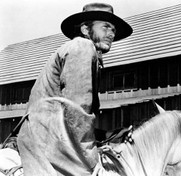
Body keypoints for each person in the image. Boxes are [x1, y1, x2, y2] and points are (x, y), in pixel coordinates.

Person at [17, 2, 132, 176]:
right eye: (106, 27)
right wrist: (92, 162)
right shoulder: (82, 47)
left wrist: (110, 134)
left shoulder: (86, 52)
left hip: (51, 137)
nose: (111, 34)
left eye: (114, 30)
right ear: (86, 29)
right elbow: (77, 112)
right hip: (46, 141)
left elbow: (76, 117)